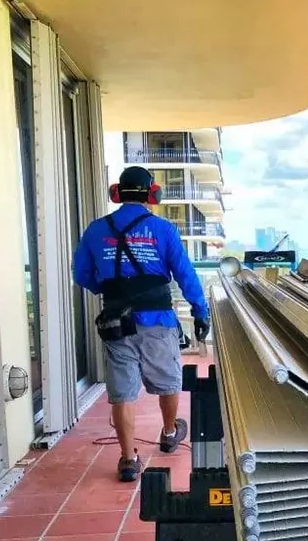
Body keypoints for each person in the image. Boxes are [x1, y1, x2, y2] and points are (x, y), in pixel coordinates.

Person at [73, 166, 210, 481]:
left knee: (123, 392)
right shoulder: (162, 230)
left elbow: (81, 274)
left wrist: (110, 290)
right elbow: (185, 274)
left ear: (117, 193)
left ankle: (128, 459)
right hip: (157, 321)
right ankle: (168, 431)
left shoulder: (96, 230)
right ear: (152, 193)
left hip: (116, 323)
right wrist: (199, 310)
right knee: (168, 381)